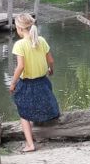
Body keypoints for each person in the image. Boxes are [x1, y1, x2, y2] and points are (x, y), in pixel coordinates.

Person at [8, 13, 60, 152]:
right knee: (36, 108)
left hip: (27, 85)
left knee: (23, 113)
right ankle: (37, 136)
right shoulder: (41, 40)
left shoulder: (20, 44)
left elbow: (20, 67)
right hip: (43, 82)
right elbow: (51, 61)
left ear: (19, 28)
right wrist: (51, 70)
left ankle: (30, 144)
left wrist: (13, 83)